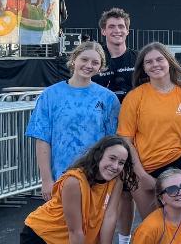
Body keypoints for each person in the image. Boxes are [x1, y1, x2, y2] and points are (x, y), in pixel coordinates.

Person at [116, 43, 181, 244]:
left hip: (177, 169)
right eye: (149, 62)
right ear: (143, 68)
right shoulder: (135, 97)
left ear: (169, 62)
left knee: (179, 231)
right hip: (144, 170)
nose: (155, 64)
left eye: (159, 59)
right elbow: (126, 140)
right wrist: (141, 175)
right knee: (156, 231)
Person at [28, 42, 120, 199]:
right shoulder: (50, 95)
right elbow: (42, 139)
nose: (89, 65)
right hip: (60, 176)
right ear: (74, 59)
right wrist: (46, 179)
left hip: (96, 176)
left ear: (100, 67)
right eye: (84, 59)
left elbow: (113, 142)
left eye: (95, 62)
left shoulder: (108, 98)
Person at [94, 7, 137, 102]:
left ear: (127, 31)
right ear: (103, 31)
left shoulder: (139, 59)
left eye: (121, 26)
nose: (117, 30)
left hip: (133, 110)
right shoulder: (93, 59)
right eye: (111, 26)